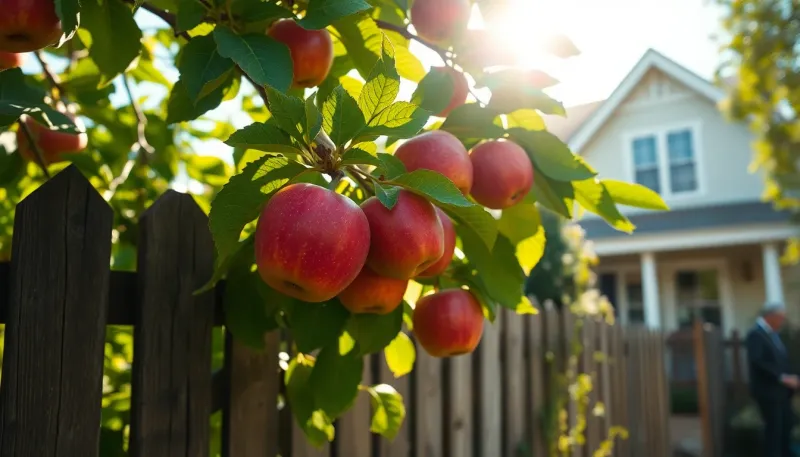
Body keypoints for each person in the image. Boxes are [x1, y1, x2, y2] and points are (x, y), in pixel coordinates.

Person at [746, 302, 797, 457]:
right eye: (781, 317)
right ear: (770, 316)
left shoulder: (773, 335)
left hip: (782, 392)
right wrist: (782, 378)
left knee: (787, 425)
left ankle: (786, 453)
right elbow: (758, 361)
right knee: (774, 430)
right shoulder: (756, 334)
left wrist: (792, 377)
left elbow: (781, 361)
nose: (782, 321)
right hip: (768, 392)